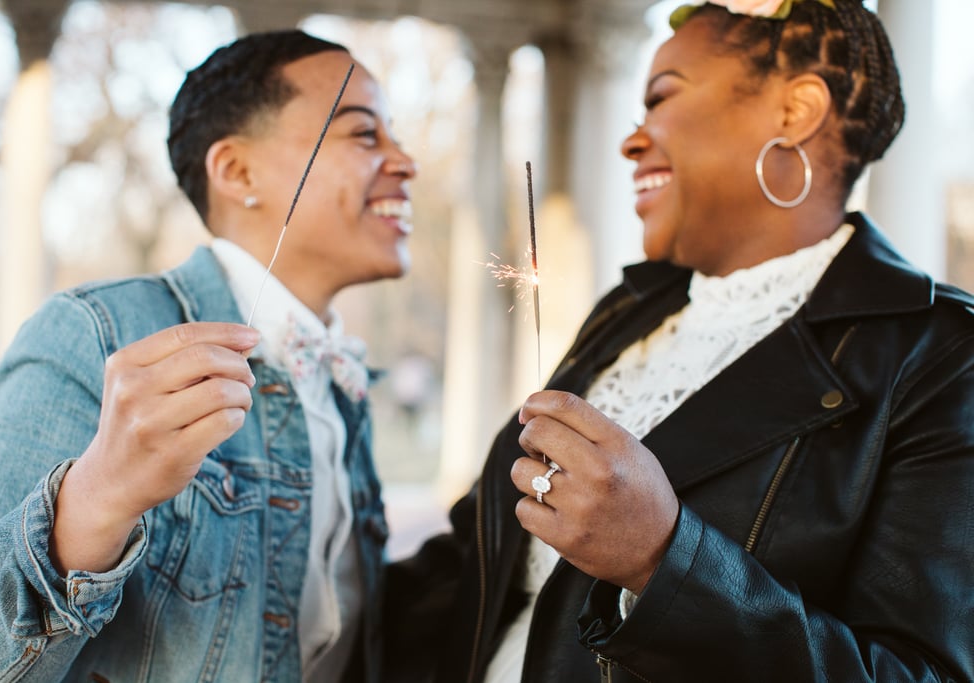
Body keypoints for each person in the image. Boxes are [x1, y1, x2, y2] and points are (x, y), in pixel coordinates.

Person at [385, 1, 974, 681]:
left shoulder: (938, 358)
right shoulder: (630, 311)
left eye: (661, 97)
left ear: (796, 111)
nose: (631, 141)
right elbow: (472, 562)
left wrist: (665, 559)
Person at [0, 29, 416, 682]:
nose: (407, 161)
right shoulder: (94, 334)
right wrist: (96, 498)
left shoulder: (343, 382)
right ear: (237, 171)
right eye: (366, 134)